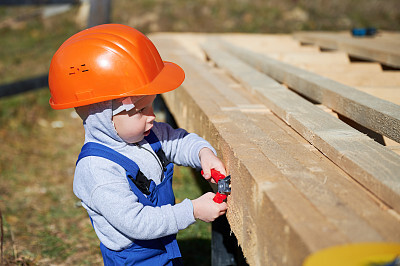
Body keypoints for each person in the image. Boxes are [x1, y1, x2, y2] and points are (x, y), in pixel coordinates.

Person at [48, 24, 228, 265]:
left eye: (152, 105)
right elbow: (137, 223)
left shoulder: (147, 134)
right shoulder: (97, 170)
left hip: (164, 242)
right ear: (104, 117)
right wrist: (192, 210)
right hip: (136, 257)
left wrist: (203, 154)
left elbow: (179, 141)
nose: (152, 116)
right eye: (141, 109)